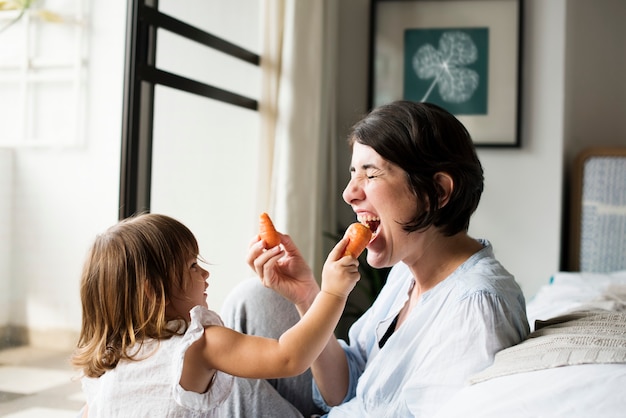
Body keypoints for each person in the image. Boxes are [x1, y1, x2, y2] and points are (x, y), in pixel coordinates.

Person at [221, 100, 530, 417]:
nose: (348, 193)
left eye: (370, 175)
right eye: (353, 173)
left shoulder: (475, 309)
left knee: (214, 382)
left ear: (437, 192)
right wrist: (306, 295)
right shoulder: (406, 272)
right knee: (254, 299)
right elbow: (343, 389)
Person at [71, 213, 361, 417]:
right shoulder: (196, 344)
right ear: (152, 292)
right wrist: (332, 294)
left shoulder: (105, 362)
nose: (205, 273)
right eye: (192, 266)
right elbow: (289, 357)